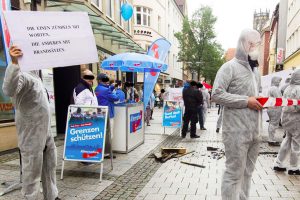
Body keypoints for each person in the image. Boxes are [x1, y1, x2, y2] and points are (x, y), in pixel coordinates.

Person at [2, 46, 59, 200]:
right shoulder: (23, 75)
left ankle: (52, 196)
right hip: (31, 133)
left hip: (45, 131)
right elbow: (8, 90)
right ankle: (30, 197)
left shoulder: (36, 75)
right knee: (31, 170)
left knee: (49, 166)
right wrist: (14, 63)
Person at [211, 29, 263, 200]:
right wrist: (246, 101)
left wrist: (263, 102)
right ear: (244, 44)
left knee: (247, 173)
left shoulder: (255, 72)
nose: (256, 48)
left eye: (258, 44)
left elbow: (256, 95)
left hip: (254, 131)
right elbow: (216, 94)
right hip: (235, 132)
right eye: (253, 44)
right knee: (234, 173)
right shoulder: (229, 68)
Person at [273, 69, 300, 175]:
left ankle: (278, 163)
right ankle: (294, 167)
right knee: (297, 142)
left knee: (287, 139)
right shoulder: (299, 89)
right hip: (296, 119)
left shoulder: (288, 87)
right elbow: (298, 106)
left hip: (286, 118)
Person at [267, 76, 282, 146]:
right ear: (275, 81)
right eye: (278, 81)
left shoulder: (270, 88)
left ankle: (270, 138)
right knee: (273, 124)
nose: (279, 83)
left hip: (271, 108)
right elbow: (279, 99)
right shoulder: (275, 89)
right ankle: (271, 140)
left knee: (271, 124)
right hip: (275, 108)